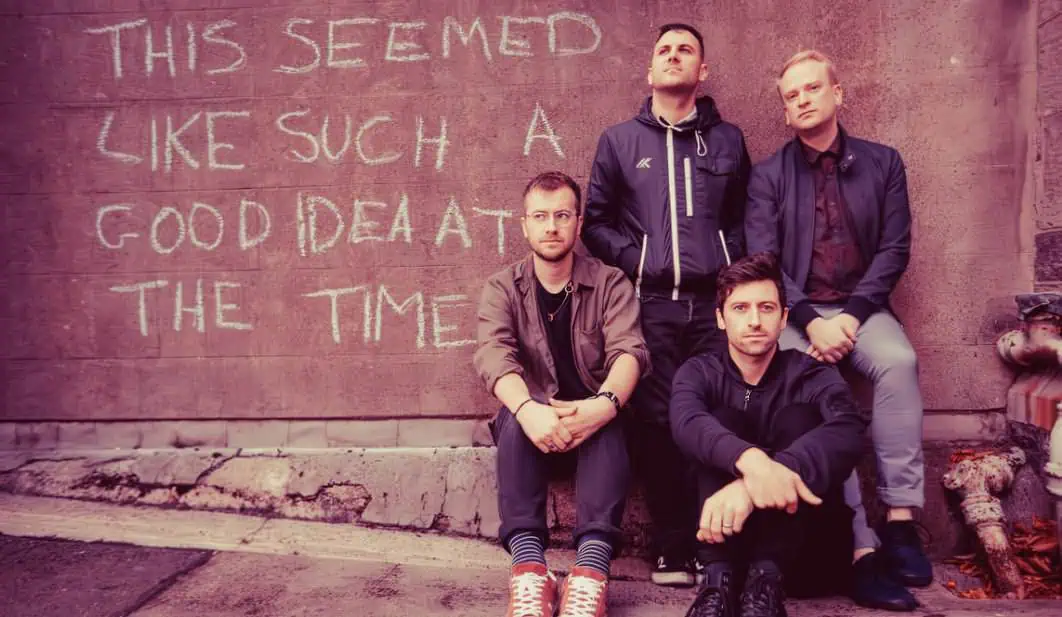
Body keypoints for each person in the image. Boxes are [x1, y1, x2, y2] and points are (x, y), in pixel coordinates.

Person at [744, 49, 932, 611]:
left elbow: (894, 249)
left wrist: (851, 316)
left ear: (837, 94)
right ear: (785, 111)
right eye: (791, 95)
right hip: (797, 317)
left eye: (811, 89)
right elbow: (764, 258)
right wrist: (805, 321)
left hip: (862, 309)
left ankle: (900, 520)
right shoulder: (768, 176)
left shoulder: (884, 163)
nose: (802, 100)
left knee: (899, 363)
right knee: (817, 398)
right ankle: (862, 546)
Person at [581, 22, 751, 586]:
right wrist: (642, 258)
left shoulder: (727, 141)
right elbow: (596, 224)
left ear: (702, 71)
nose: (673, 57)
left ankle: (713, 543)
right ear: (649, 70)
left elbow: (745, 219)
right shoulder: (620, 141)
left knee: (712, 416)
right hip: (650, 304)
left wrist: (729, 265)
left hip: (712, 308)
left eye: (686, 51)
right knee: (655, 421)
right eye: (664, 50)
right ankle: (673, 543)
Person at [474, 171, 651, 617]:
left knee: (612, 424)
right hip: (532, 431)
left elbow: (630, 352)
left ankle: (590, 574)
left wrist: (603, 405)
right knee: (513, 416)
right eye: (540, 216)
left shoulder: (611, 283)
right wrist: (529, 410)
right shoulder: (503, 287)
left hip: (594, 426)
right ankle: (530, 570)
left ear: (577, 222)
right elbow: (493, 355)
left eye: (561, 216)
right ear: (524, 225)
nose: (551, 226)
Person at [670, 252, 867, 617]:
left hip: (803, 561)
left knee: (800, 420)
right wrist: (751, 460)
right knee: (722, 422)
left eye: (766, 308)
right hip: (721, 549)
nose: (755, 321)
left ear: (784, 317)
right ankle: (718, 586)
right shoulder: (699, 372)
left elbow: (849, 429)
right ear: (720, 318)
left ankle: (766, 583)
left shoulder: (810, 374)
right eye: (741, 308)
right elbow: (686, 421)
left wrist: (758, 480)